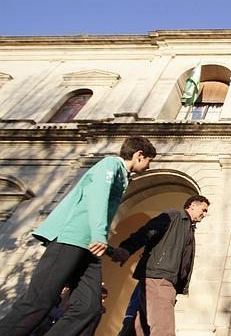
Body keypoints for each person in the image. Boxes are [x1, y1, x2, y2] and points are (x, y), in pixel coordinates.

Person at [0, 136, 157, 336]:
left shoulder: (124, 176)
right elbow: (97, 198)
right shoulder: (110, 165)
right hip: (69, 239)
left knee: (89, 308)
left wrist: (110, 250)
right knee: (39, 301)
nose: (149, 166)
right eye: (149, 161)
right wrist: (100, 235)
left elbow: (100, 214)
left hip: (88, 248)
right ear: (139, 155)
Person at [111, 195, 210, 336]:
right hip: (159, 279)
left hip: (165, 282)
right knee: (164, 330)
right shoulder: (174, 216)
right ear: (193, 205)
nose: (204, 214)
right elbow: (148, 230)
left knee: (138, 329)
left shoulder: (188, 228)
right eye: (203, 210)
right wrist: (127, 248)